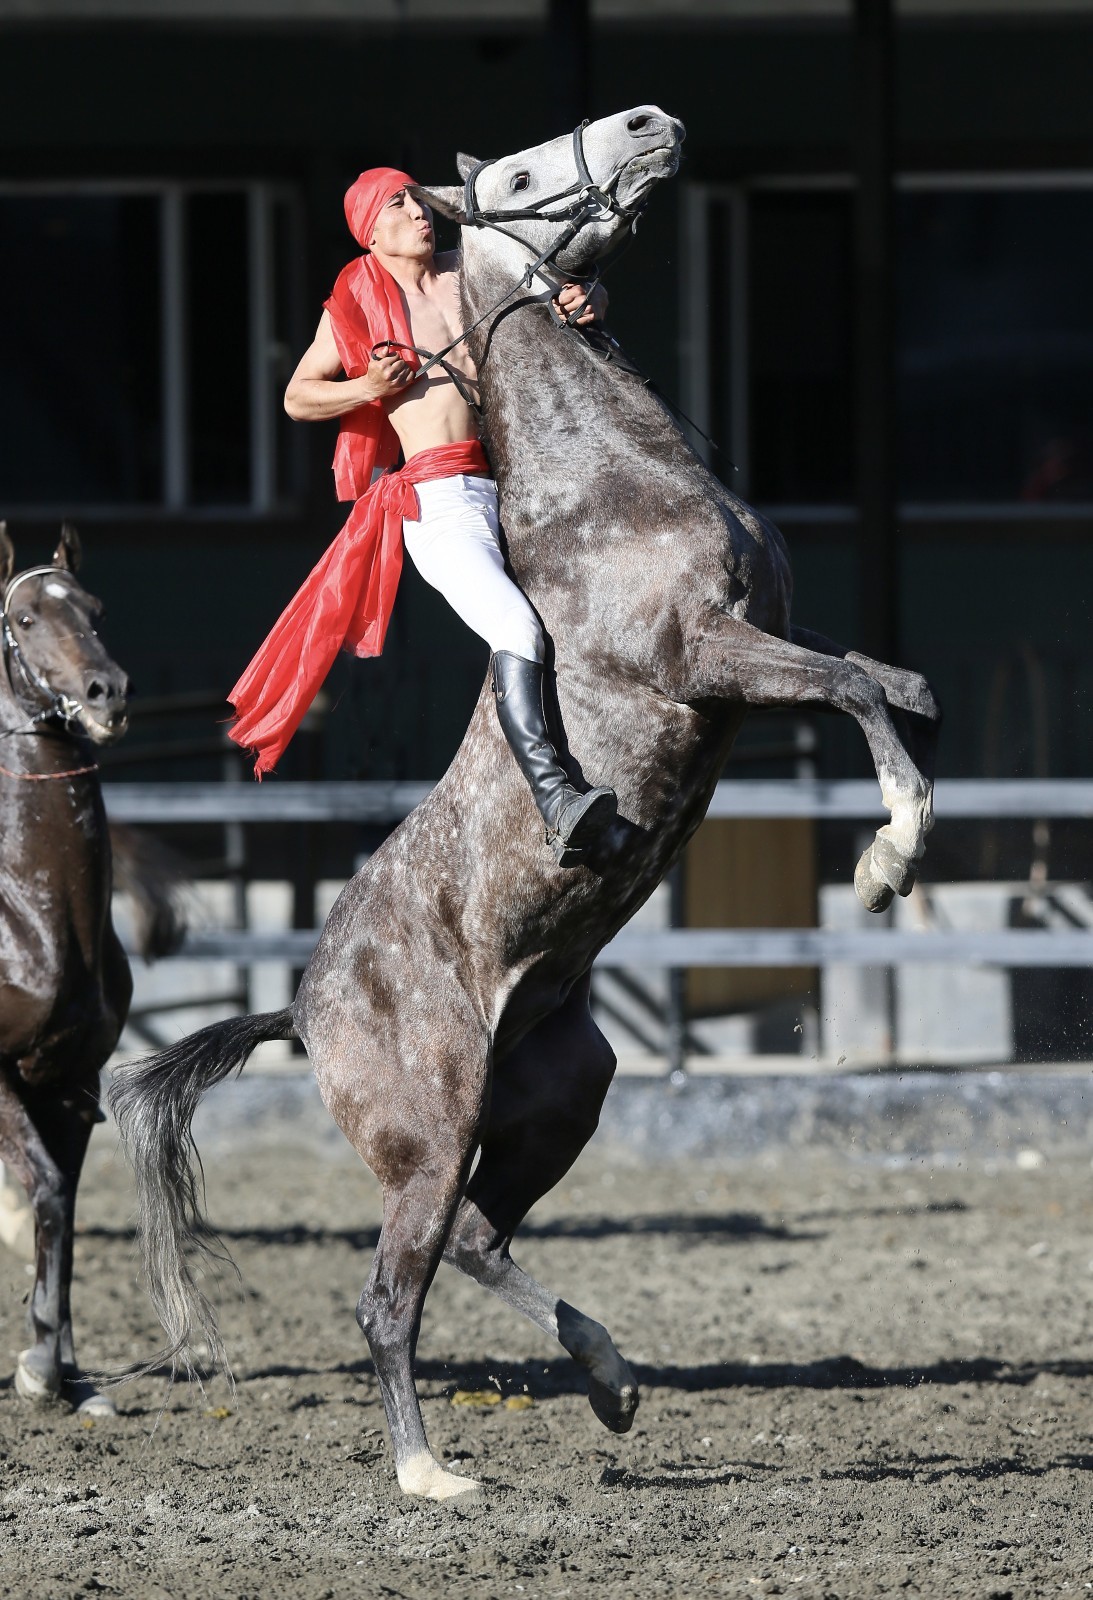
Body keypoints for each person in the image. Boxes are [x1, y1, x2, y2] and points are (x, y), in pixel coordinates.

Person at [228, 166, 616, 855]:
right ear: (368, 231)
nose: (418, 213)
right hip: (439, 503)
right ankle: (554, 800)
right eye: (398, 205)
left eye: (417, 199)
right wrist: (367, 387)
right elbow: (297, 398)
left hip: (523, 489)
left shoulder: (472, 268)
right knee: (516, 628)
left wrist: (589, 299)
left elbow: (569, 293)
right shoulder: (355, 292)